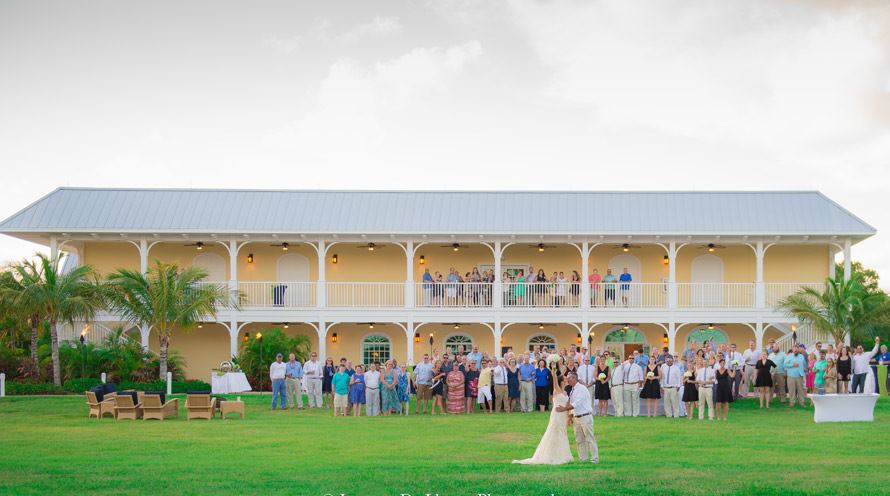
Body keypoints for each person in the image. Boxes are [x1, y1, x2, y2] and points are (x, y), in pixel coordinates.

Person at [513, 369, 574, 465]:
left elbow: (567, 406)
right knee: (555, 433)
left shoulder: (566, 393)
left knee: (563, 433)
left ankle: (563, 455)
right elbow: (555, 382)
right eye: (566, 379)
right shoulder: (556, 390)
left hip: (563, 416)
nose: (567, 380)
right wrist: (554, 372)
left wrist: (569, 417)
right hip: (557, 415)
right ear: (562, 381)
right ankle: (552, 455)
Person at [558, 372, 599, 464]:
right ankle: (583, 459)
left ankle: (594, 460)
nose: (568, 380)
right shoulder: (573, 390)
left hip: (585, 416)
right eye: (567, 378)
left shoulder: (582, 388)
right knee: (579, 440)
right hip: (577, 418)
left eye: (569, 378)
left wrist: (564, 409)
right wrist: (570, 416)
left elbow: (577, 403)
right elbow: (573, 405)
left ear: (574, 378)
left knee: (589, 438)